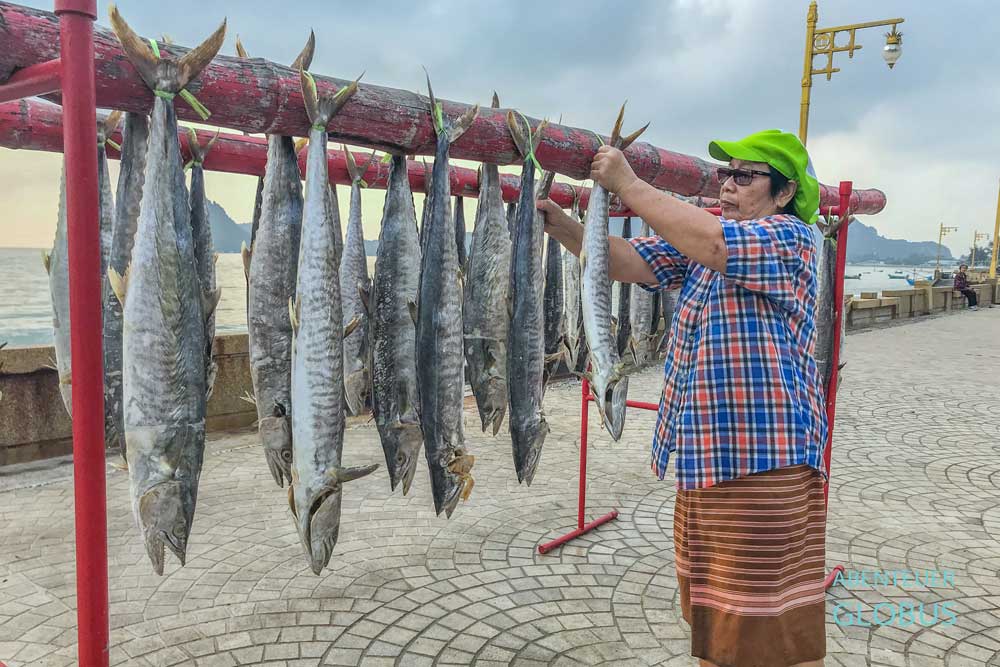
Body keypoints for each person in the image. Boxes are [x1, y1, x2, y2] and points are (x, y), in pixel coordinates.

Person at [540, 129, 829, 667]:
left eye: (745, 176)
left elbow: (716, 244)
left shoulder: (791, 239)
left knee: (772, 632)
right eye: (726, 174)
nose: (728, 186)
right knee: (717, 628)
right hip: (705, 465)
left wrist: (627, 182)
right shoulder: (704, 245)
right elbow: (623, 260)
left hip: (763, 467)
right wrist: (562, 226)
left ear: (785, 192)